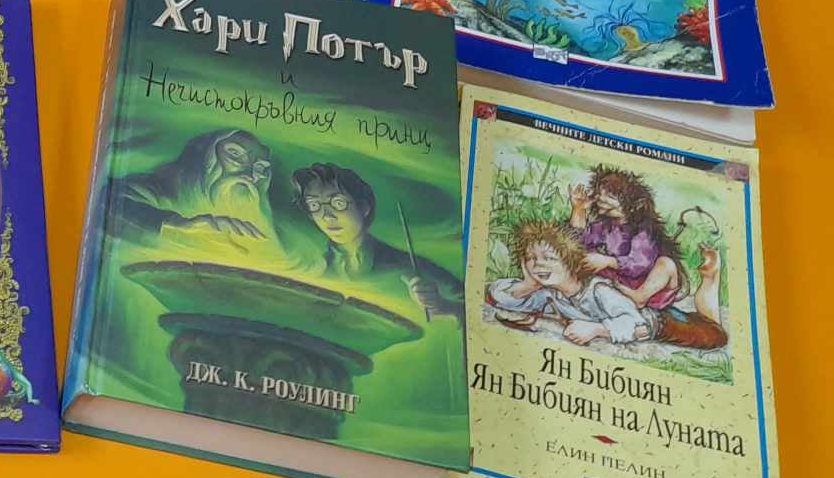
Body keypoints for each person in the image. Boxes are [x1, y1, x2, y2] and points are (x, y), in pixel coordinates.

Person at [487, 220, 725, 349]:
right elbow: (497, 296)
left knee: (714, 334)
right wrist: (528, 285)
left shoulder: (599, 290)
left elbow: (638, 324)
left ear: (571, 262)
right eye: (531, 258)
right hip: (647, 319)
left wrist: (597, 329)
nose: (539, 264)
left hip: (665, 324)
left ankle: (711, 277)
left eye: (549, 258)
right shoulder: (551, 293)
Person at [291, 163, 463, 322]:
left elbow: (470, 306)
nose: (327, 216)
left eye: (338, 203)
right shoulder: (311, 266)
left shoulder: (410, 266)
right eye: (314, 205)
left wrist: (442, 306)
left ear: (364, 207)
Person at [571, 165, 682, 309]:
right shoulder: (604, 226)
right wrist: (578, 210)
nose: (600, 199)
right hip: (619, 283)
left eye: (610, 197)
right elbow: (577, 242)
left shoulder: (644, 230)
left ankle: (639, 298)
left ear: (633, 206)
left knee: (666, 264)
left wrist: (608, 261)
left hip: (646, 285)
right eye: (599, 193)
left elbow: (638, 264)